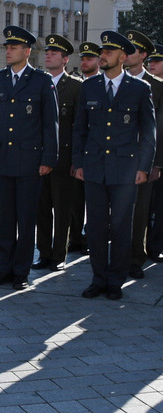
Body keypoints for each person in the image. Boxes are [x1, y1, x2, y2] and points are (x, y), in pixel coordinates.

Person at [73, 31, 156, 300]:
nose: (102, 56)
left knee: (121, 227)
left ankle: (115, 280)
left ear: (122, 57)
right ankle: (98, 279)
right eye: (101, 52)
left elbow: (148, 132)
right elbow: (79, 130)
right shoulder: (89, 86)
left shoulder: (140, 88)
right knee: (96, 227)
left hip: (125, 169)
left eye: (108, 52)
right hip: (95, 167)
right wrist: (78, 163)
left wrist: (144, 167)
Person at [0, 26, 59, 290]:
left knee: (26, 220)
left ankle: (21, 271)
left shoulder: (41, 80)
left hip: (29, 161)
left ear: (27, 51)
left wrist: (49, 158)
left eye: (13, 47)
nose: (8, 51)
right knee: (3, 218)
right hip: (2, 159)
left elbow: (51, 124)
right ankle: (3, 269)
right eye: (6, 47)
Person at [33, 34, 82, 272]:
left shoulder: (75, 87)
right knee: (41, 209)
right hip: (38, 157)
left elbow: (80, 126)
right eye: (47, 52)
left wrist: (77, 160)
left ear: (65, 59)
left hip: (63, 160)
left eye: (53, 53)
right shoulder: (37, 82)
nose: (48, 55)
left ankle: (59, 254)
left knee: (63, 209)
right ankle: (43, 252)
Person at [123, 31, 163, 275]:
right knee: (115, 213)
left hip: (143, 161)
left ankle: (135, 259)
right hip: (116, 158)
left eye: (133, 50)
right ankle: (116, 257)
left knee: (139, 213)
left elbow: (159, 127)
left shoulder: (157, 86)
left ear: (144, 55)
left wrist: (156, 163)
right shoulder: (115, 81)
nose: (126, 55)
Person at [68, 41, 102, 256]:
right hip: (79, 153)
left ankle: (91, 236)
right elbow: (75, 125)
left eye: (89, 58)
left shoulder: (103, 86)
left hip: (98, 154)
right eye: (83, 58)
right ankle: (75, 238)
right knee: (75, 200)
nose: (84, 61)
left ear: (99, 61)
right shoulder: (79, 86)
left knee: (95, 203)